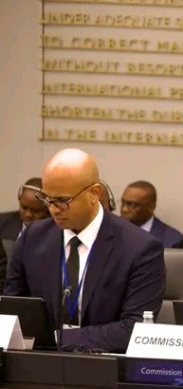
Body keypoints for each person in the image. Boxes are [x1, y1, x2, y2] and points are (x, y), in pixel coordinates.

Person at [3, 148, 165, 352]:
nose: (53, 209)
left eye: (62, 201)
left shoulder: (140, 247)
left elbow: (135, 329)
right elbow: (13, 310)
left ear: (94, 194)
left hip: (103, 363)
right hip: (38, 362)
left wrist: (58, 339)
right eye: (47, 199)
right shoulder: (32, 238)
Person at [0, 178, 49, 275]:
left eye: (36, 211)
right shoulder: (2, 223)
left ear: (47, 209)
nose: (28, 214)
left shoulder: (55, 232)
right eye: (24, 207)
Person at [120, 180, 183, 248]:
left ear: (151, 207)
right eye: (123, 202)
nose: (124, 209)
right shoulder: (115, 231)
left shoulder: (173, 240)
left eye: (132, 205)